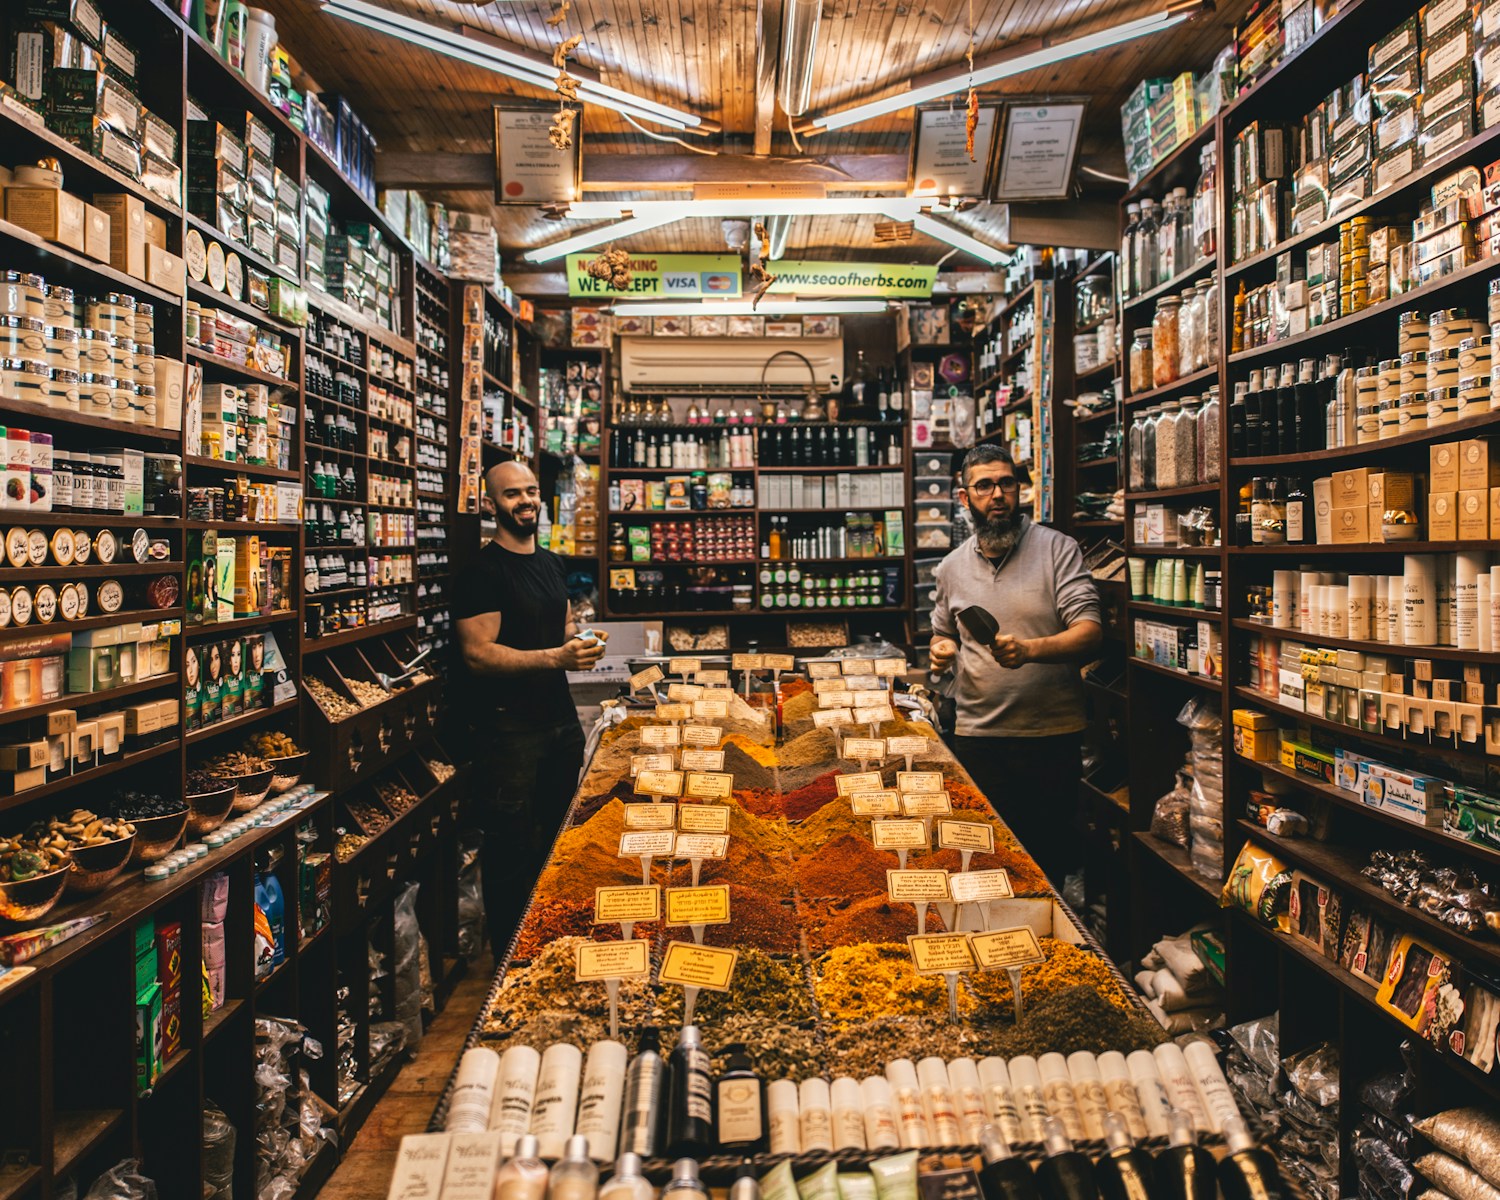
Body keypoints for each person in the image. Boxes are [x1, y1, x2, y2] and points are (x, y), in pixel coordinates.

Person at [928, 443, 1102, 885]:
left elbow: (1090, 631)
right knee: (985, 862)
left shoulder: (1057, 550)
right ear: (964, 498)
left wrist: (1029, 650)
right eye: (984, 486)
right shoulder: (951, 567)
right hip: (976, 737)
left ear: (1019, 489)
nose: (998, 494)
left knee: (1046, 866)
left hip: (1050, 737)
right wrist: (942, 649)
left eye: (1006, 483)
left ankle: (1051, 950)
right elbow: (944, 631)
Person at [455, 460, 606, 957]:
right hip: (507, 732)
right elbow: (478, 654)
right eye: (512, 494)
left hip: (557, 723)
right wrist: (556, 657)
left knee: (558, 845)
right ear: (491, 505)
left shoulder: (550, 562)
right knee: (511, 857)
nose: (525, 501)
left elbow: (560, 631)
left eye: (531, 491)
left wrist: (582, 644)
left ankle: (554, 949)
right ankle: (513, 961)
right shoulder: (483, 571)